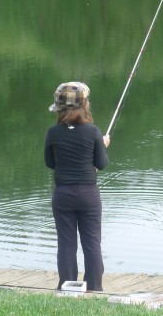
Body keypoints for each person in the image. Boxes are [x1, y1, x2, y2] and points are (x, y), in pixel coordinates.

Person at [44, 81, 110, 291]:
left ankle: (67, 287)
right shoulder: (93, 132)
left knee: (66, 244)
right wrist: (103, 145)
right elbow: (101, 164)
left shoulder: (53, 132)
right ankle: (94, 288)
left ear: (60, 109)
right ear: (85, 106)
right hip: (88, 194)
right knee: (92, 243)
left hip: (63, 194)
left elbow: (50, 163)